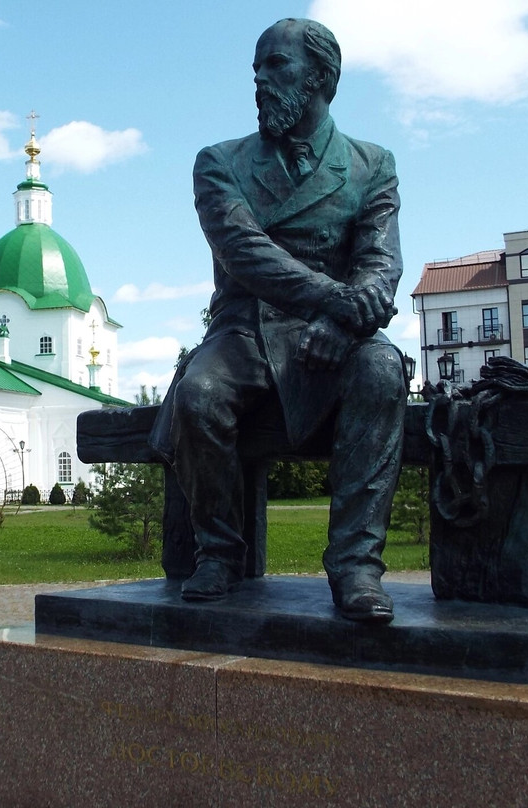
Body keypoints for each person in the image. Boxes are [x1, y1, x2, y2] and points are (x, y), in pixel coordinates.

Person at [149, 18, 406, 621]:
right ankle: (218, 551)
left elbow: (380, 261)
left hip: (340, 335)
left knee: (381, 372)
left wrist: (345, 324)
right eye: (256, 69)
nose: (260, 80)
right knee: (199, 395)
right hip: (244, 328)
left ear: (321, 77)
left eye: (276, 66)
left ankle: (356, 566)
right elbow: (245, 252)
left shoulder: (372, 164)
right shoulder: (220, 162)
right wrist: (338, 301)